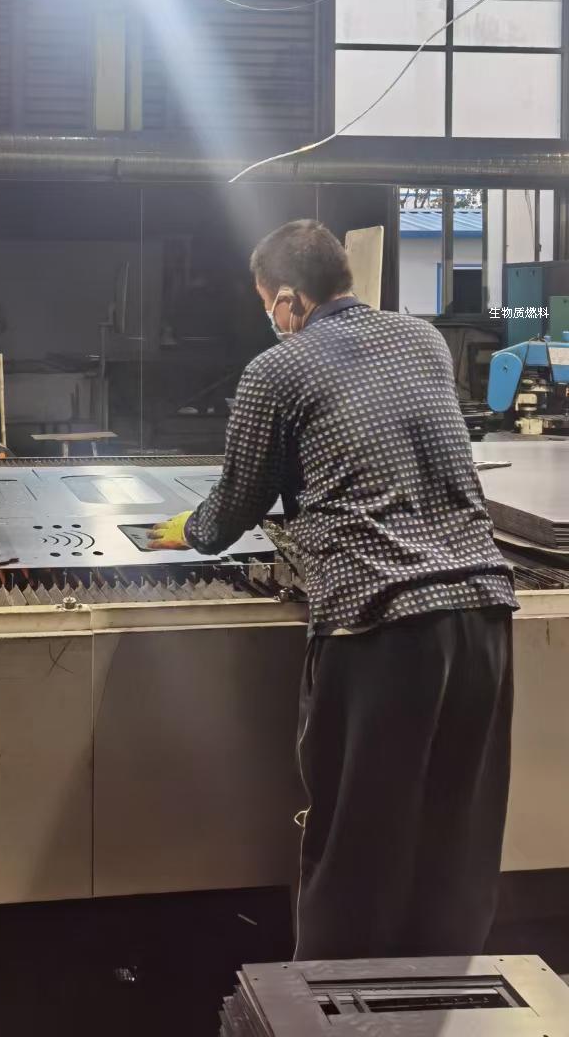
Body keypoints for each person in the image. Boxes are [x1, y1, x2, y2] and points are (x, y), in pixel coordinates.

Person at [150, 219, 516, 961]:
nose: (270, 317)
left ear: (288, 300)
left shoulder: (276, 370)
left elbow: (236, 505)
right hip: (483, 613)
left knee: (356, 850)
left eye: (267, 304)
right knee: (456, 843)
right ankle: (441, 997)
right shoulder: (422, 340)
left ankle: (331, 1001)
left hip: (381, 626)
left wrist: (189, 529)